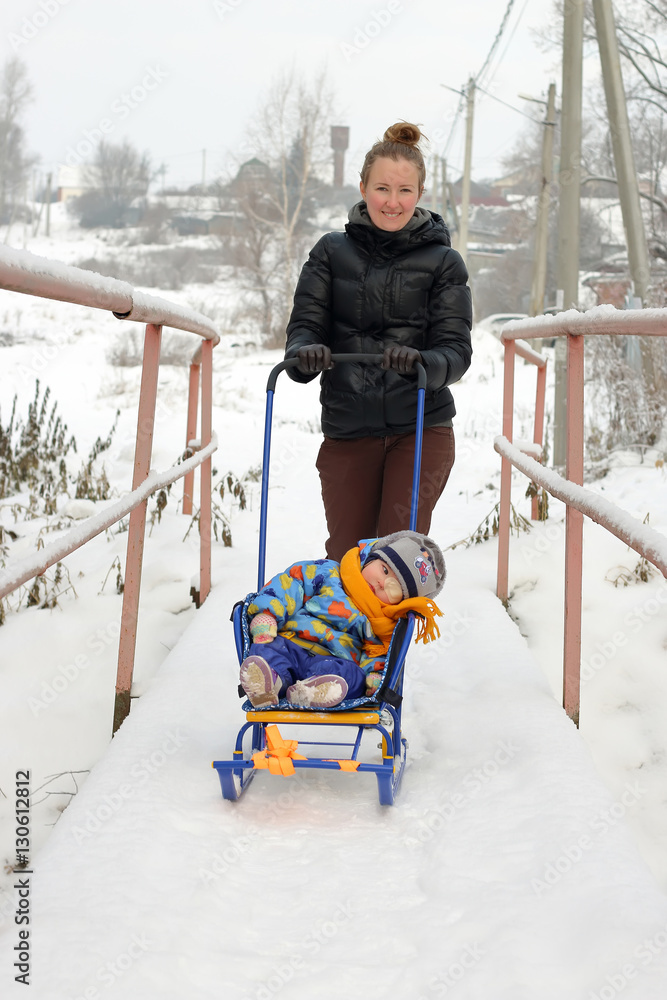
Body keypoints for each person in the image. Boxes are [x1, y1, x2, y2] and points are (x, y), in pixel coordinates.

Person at [284, 121, 473, 562]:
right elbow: (304, 330)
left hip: (420, 428)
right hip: (349, 428)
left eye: (405, 191)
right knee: (347, 558)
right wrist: (304, 357)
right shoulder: (329, 253)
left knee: (393, 560)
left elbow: (456, 352)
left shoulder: (445, 262)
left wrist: (421, 360)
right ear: (364, 187)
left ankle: (391, 633)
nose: (393, 202)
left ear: (421, 193)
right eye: (383, 188)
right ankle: (340, 631)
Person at [239, 530, 445, 709]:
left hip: (333, 662)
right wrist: (267, 614)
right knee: (268, 649)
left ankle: (312, 692)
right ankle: (266, 685)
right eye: (384, 570)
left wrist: (374, 676)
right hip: (291, 643)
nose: (382, 583)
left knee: (352, 677)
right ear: (372, 558)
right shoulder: (329, 573)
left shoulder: (381, 622)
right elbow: (291, 584)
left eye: (393, 587)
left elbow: (377, 653)